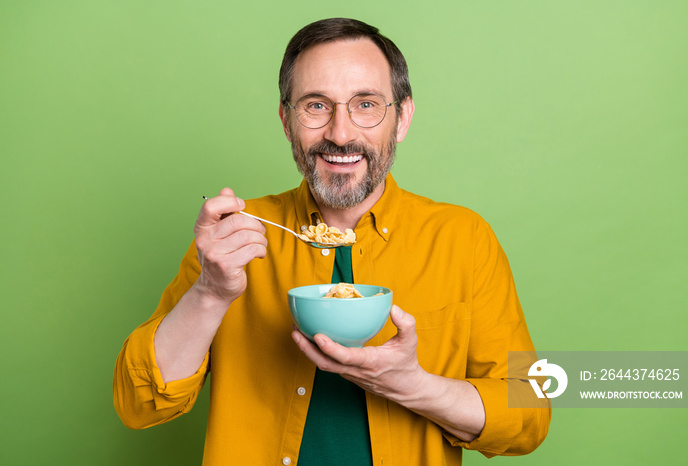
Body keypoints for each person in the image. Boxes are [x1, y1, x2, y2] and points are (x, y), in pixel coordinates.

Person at [113, 17, 550, 465]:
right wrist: (209, 293)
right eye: (317, 106)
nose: (341, 134)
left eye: (366, 105)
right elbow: (139, 404)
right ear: (287, 121)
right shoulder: (234, 237)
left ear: (402, 118)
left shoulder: (463, 238)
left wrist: (413, 384)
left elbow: (530, 411)